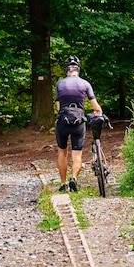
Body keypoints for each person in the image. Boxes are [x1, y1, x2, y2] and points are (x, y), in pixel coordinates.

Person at [55, 55, 102, 192]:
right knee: (77, 154)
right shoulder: (85, 84)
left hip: (62, 121)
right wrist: (99, 112)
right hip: (79, 122)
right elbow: (95, 107)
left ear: (66, 70)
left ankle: (63, 183)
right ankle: (74, 178)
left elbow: (58, 107)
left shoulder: (59, 84)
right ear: (78, 69)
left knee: (62, 152)